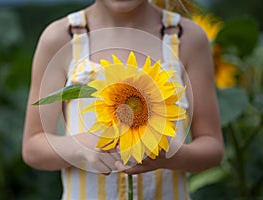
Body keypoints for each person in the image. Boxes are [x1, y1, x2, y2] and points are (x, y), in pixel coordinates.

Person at [22, 0, 224, 199]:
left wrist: (172, 156)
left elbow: (212, 146)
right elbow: (33, 147)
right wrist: (77, 147)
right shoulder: (62, 38)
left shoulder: (187, 38)